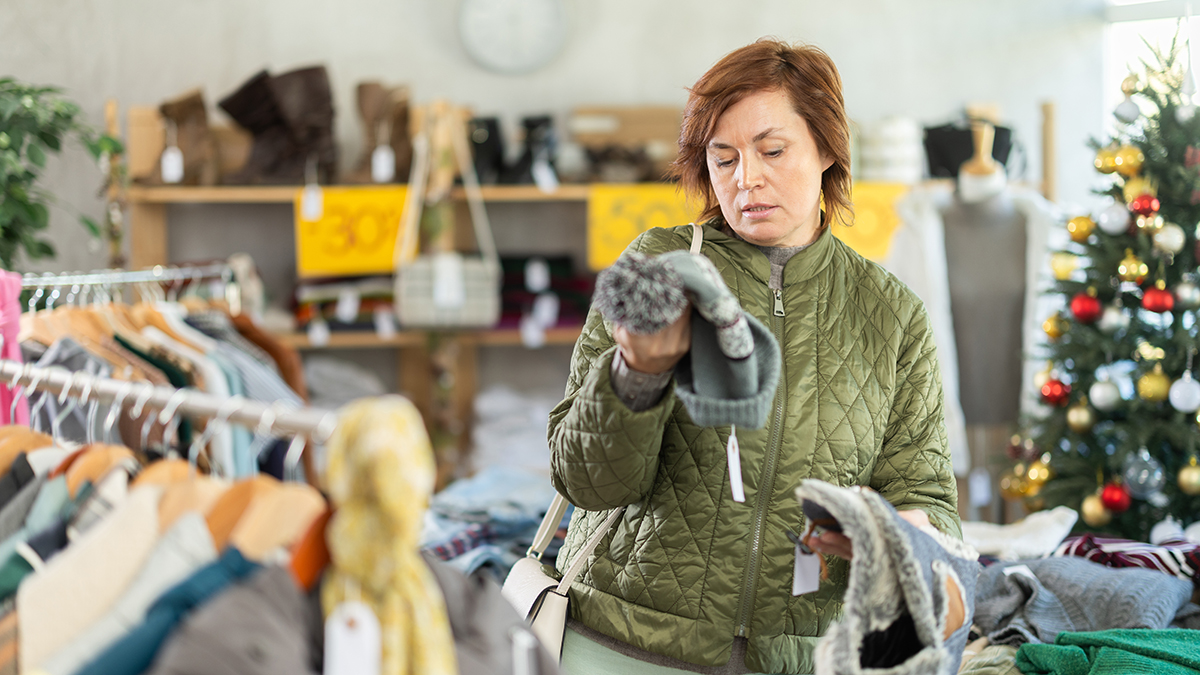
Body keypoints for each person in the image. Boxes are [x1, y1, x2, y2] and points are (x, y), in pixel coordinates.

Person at [547, 38, 960, 675]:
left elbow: (926, 494)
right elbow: (585, 483)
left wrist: (894, 536)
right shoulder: (660, 269)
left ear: (826, 149)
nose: (747, 178)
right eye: (723, 158)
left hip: (800, 657)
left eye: (772, 150)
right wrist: (638, 374)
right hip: (623, 645)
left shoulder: (890, 313)